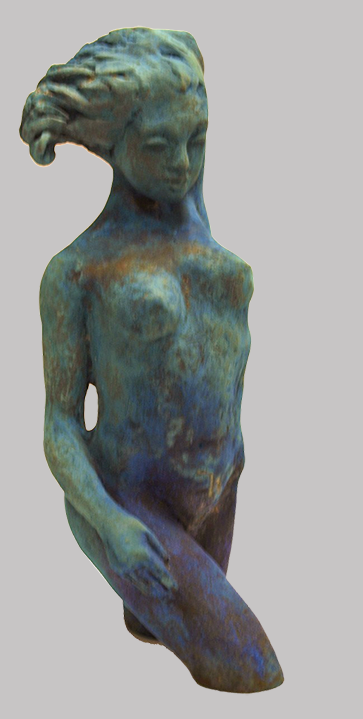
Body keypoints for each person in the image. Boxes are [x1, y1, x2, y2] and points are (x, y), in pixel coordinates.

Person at [20, 27, 283, 692]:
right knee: (248, 669)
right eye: (159, 146)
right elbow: (59, 423)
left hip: (220, 488)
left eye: (197, 138)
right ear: (111, 143)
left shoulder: (198, 229)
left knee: (165, 624)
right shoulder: (78, 271)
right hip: (127, 500)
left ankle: (149, 615)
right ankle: (139, 577)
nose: (183, 163)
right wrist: (109, 523)